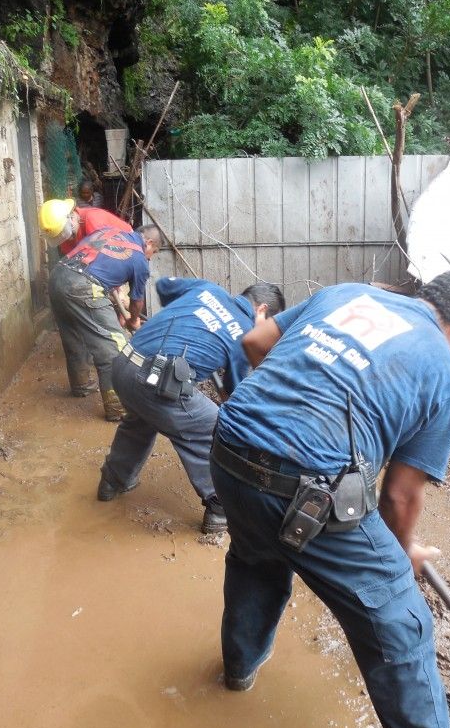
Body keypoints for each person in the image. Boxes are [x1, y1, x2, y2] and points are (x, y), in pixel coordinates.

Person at [209, 271, 450, 728]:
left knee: (257, 556)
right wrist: (403, 555)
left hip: (228, 446)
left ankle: (238, 672)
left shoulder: (346, 293)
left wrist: (288, 411)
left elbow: (255, 339)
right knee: (403, 625)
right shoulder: (446, 373)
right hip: (302, 489)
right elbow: (400, 496)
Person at [97, 278, 286, 534]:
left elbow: (164, 286)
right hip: (154, 382)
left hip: (122, 367)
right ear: (262, 310)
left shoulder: (207, 290)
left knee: (142, 419)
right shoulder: (245, 331)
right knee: (214, 428)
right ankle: (219, 506)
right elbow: (235, 394)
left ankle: (112, 481)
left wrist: (188, 317)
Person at [46, 218, 162, 421]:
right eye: (155, 253)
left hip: (58, 276)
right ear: (149, 243)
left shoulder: (109, 232)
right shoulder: (140, 260)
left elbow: (101, 264)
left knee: (73, 335)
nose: (151, 258)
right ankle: (117, 407)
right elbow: (136, 302)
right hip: (84, 286)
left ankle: (81, 384)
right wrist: (133, 320)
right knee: (113, 347)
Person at [39, 197, 132, 258]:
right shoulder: (65, 234)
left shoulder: (92, 219)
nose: (65, 239)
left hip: (127, 247)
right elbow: (71, 257)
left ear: (71, 218)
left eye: (63, 234)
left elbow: (104, 256)